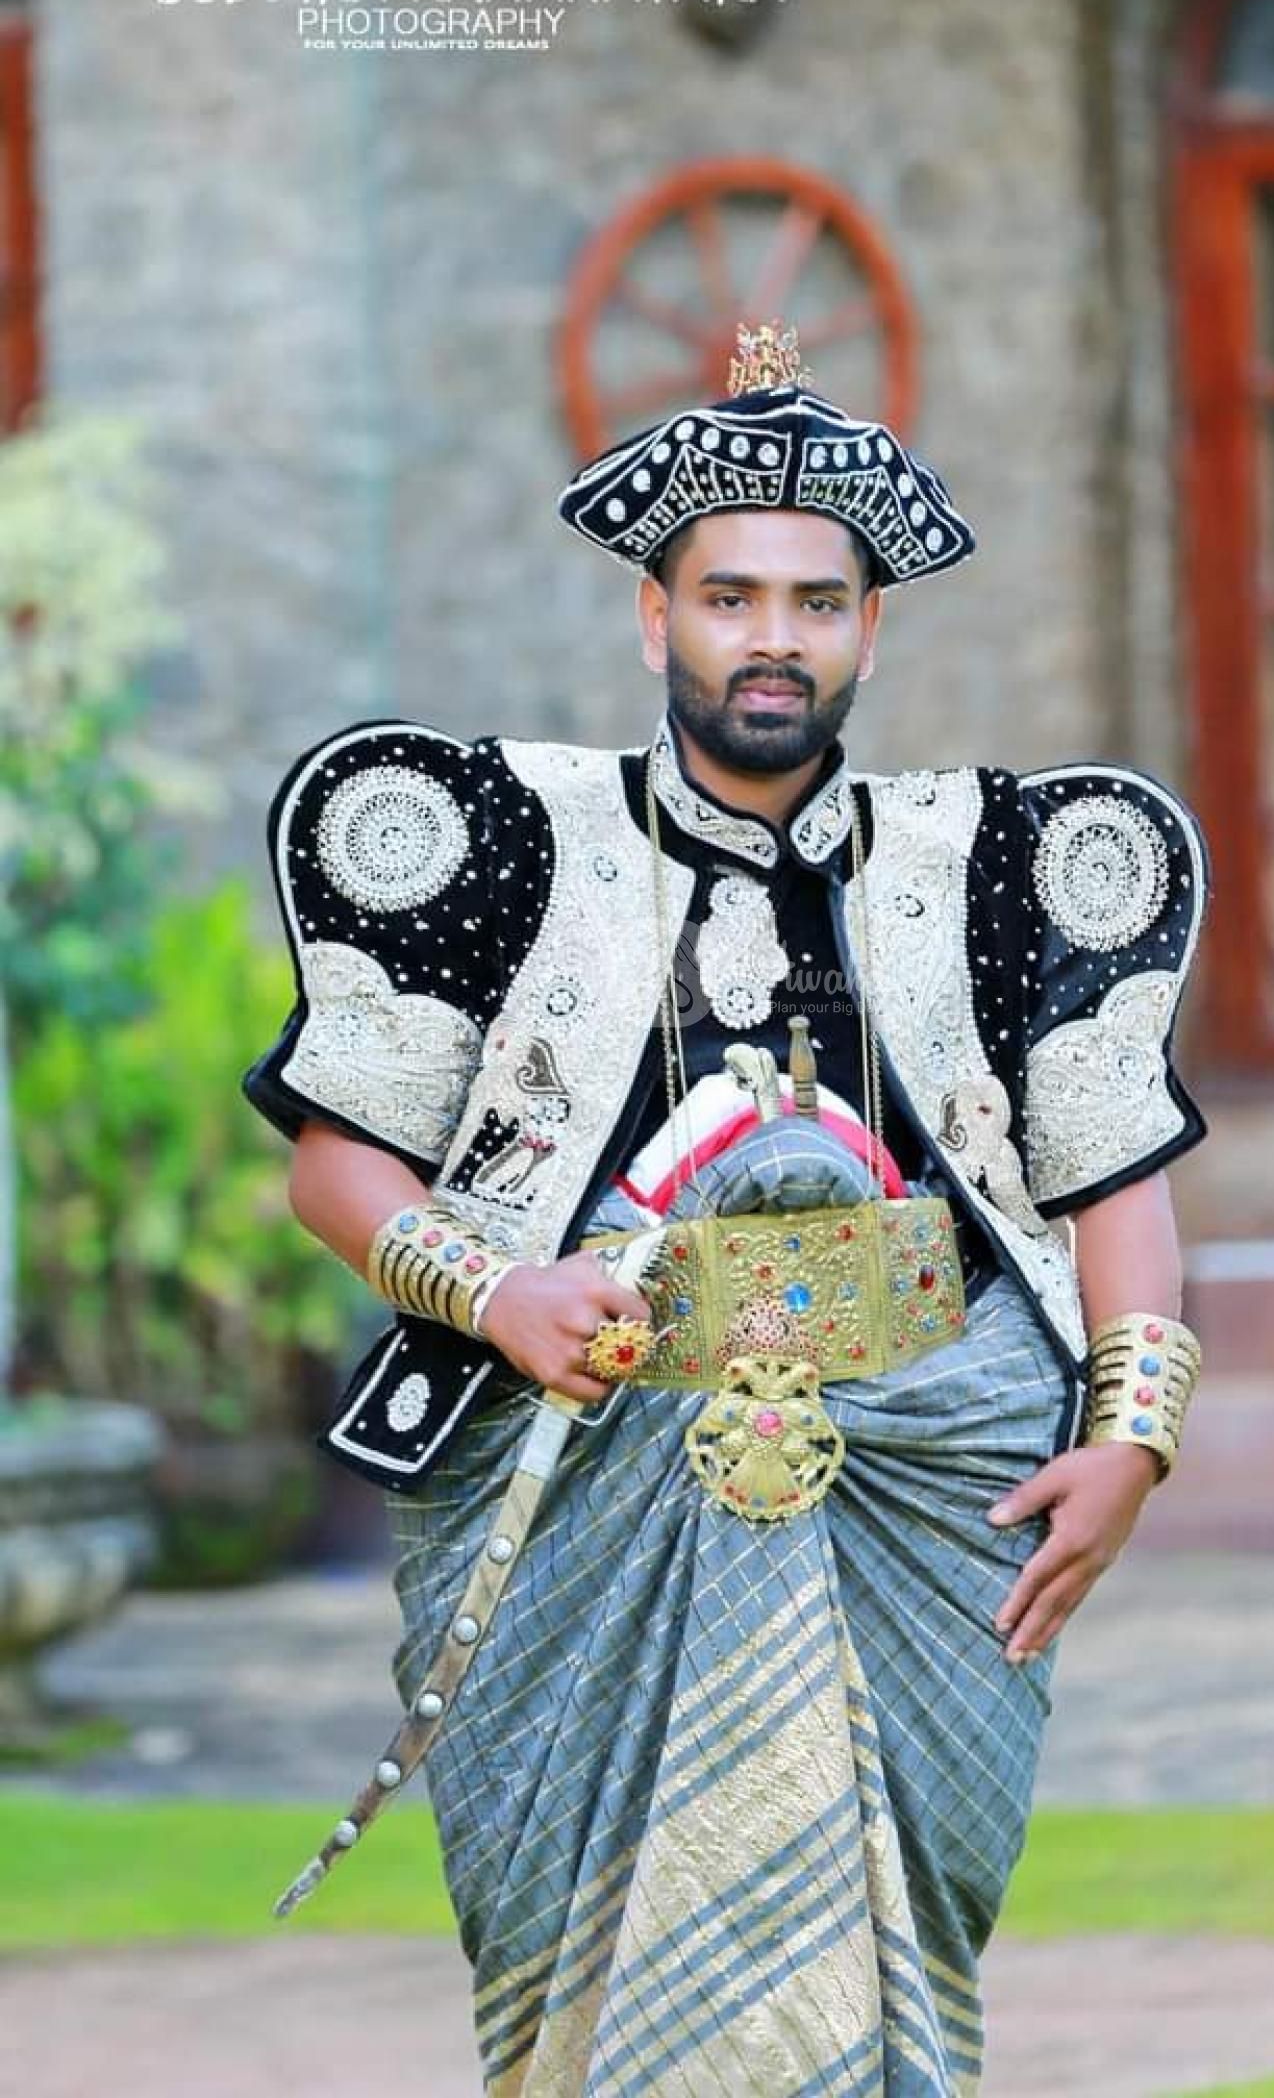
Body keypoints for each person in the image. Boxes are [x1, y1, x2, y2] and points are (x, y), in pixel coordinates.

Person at [243, 322, 1209, 2096]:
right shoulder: (504, 842)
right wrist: (496, 1293)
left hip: (922, 1473)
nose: (776, 636)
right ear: (655, 616)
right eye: (732, 596)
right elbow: (334, 1162)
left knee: (899, 1937)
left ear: (870, 629)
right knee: (578, 1955)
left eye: (817, 602)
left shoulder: (993, 863)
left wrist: (1131, 1437)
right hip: (581, 1468)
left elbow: (1113, 1176)